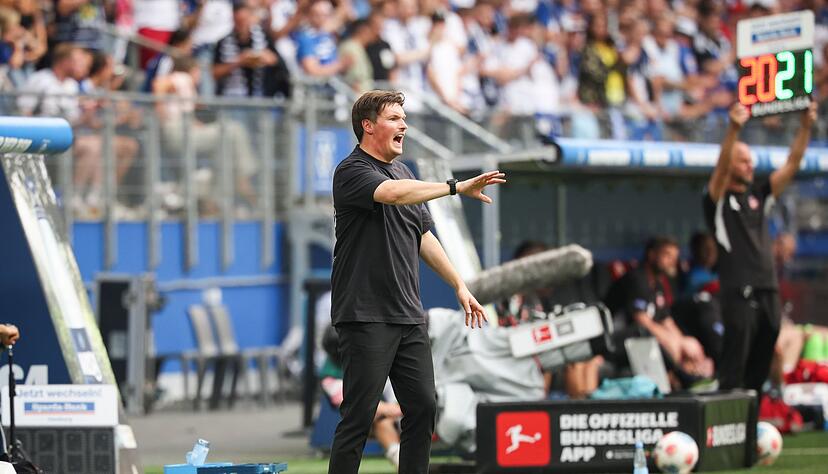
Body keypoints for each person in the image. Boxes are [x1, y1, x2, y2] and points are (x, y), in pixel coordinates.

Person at [328, 90, 505, 474]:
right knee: (360, 417)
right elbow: (390, 195)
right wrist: (455, 186)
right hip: (365, 315)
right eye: (394, 118)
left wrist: (459, 284)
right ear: (368, 126)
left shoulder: (405, 171)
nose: (404, 124)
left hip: (408, 315)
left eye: (404, 117)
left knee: (423, 406)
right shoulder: (352, 170)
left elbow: (424, 236)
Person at [704, 102, 817, 393]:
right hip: (738, 292)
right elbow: (718, 170)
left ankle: (753, 425)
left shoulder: (760, 195)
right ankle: (725, 425)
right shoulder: (717, 202)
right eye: (743, 160)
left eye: (750, 160)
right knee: (735, 365)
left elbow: (792, 163)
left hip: (769, 290)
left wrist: (805, 126)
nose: (750, 165)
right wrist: (733, 129)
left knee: (760, 367)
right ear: (729, 164)